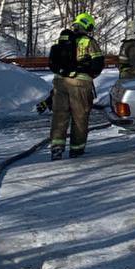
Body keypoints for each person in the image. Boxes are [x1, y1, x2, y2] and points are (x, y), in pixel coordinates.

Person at [48, 12, 105, 160]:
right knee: (80, 117)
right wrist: (87, 71)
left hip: (60, 82)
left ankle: (56, 147)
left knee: (60, 115)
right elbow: (98, 64)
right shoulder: (88, 42)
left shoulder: (62, 41)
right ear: (87, 25)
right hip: (80, 84)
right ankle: (76, 150)